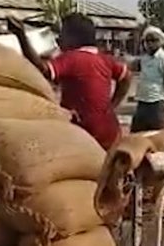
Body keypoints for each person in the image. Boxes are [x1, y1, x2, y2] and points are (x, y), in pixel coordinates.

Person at [7, 13, 132, 151]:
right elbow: (126, 77)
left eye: (63, 33)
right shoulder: (105, 59)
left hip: (84, 132)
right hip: (110, 132)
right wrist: (113, 104)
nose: (59, 38)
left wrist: (21, 36)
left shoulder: (71, 58)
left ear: (74, 38)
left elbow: (44, 69)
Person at [131, 26, 164, 132]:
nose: (150, 44)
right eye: (148, 41)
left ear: (160, 42)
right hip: (142, 101)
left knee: (156, 134)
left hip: (157, 102)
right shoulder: (145, 59)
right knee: (137, 133)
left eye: (154, 40)